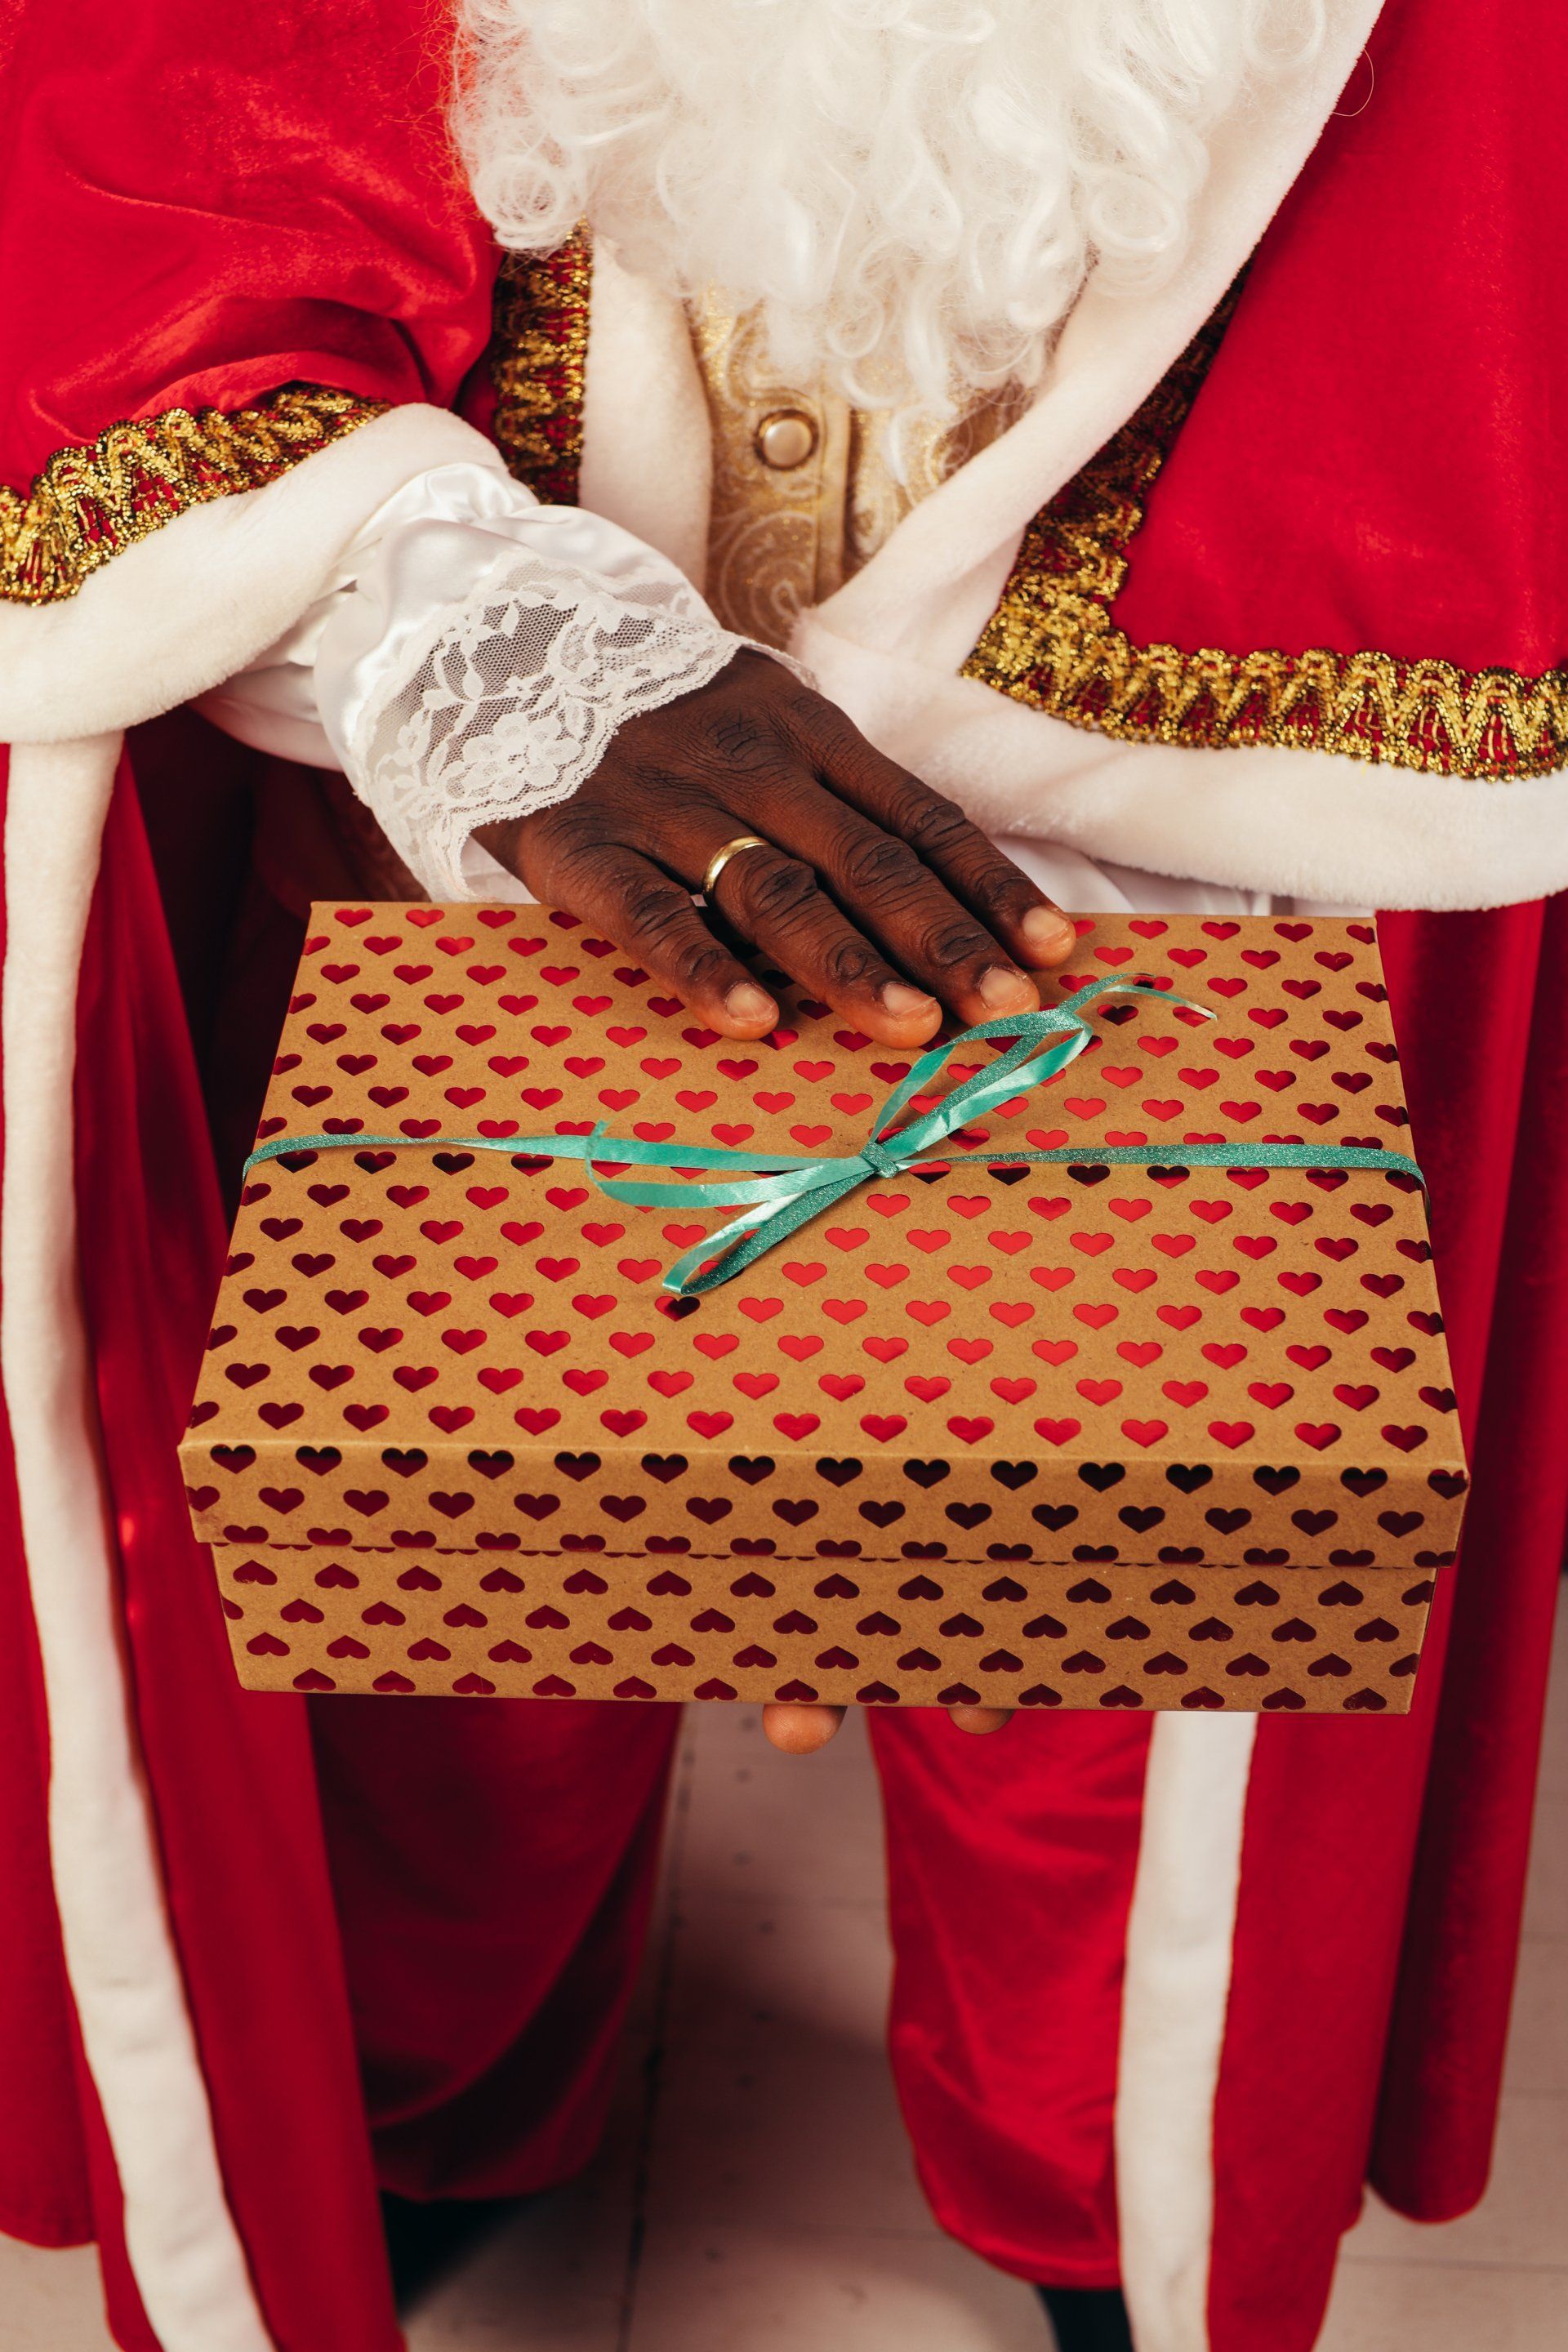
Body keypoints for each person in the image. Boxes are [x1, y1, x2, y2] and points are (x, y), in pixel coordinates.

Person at [1, 3, 1565, 2349]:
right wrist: (472, 640)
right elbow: (139, 138)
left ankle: (1091, 2198)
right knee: (436, 1616)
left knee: (1132, 1685)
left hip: (1219, 836)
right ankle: (431, 2104)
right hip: (427, 781)